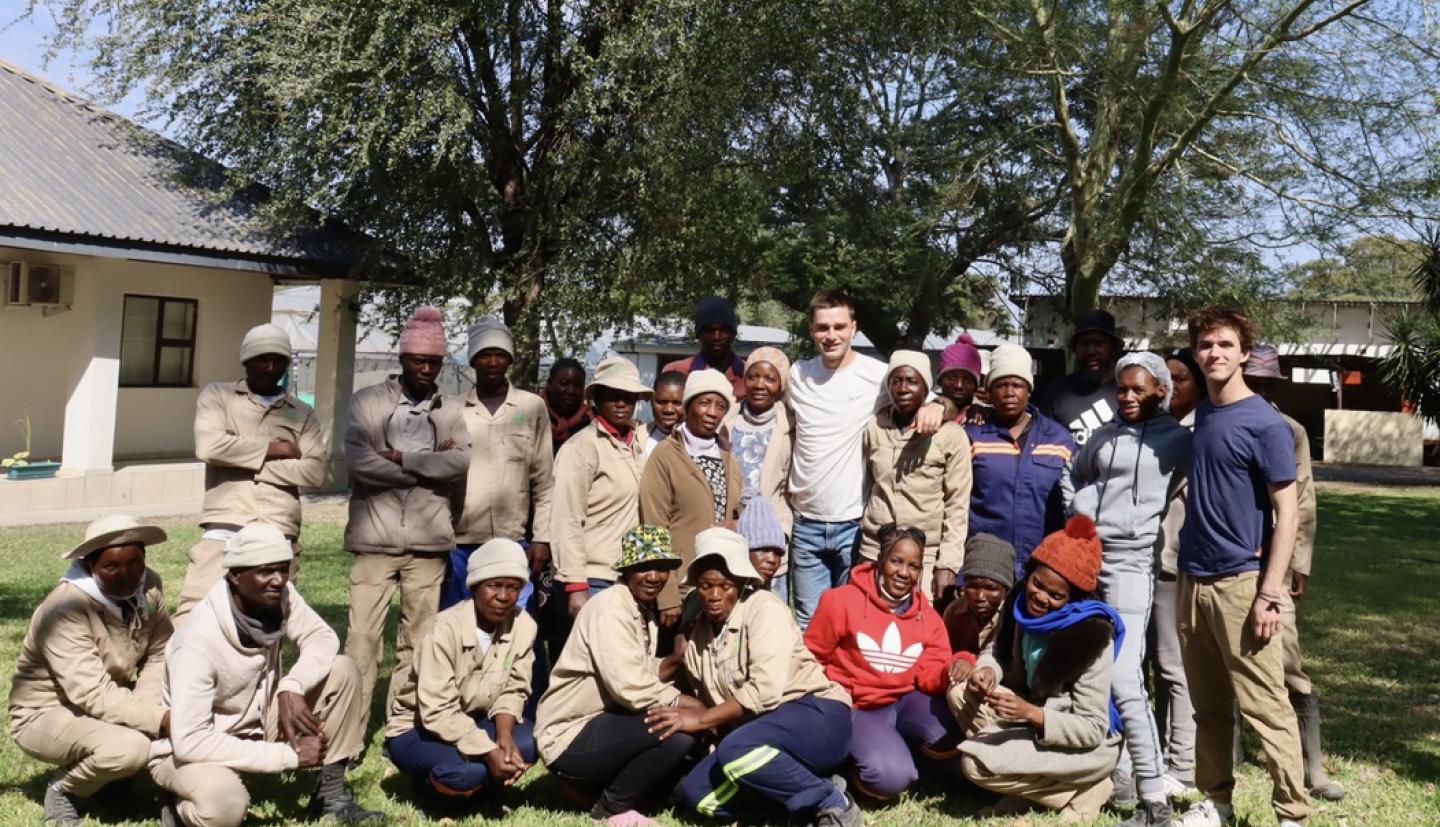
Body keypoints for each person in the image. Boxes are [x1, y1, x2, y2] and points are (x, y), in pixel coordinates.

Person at [1173, 307, 1308, 827]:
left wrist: (1270, 593)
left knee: (1266, 707)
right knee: (1207, 707)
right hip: (1193, 581)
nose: (1214, 354)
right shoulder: (1204, 413)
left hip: (1242, 584)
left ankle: (1291, 813)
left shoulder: (1265, 423)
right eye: (1206, 345)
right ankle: (1218, 803)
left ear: (1244, 353)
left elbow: (1288, 510)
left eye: (1225, 345)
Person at [154, 523, 381, 826]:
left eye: (283, 569)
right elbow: (190, 740)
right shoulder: (197, 641)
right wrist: (289, 757)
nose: (278, 580)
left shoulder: (278, 595)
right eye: (266, 572)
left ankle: (331, 796)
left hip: (259, 721)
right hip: (193, 749)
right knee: (225, 808)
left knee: (342, 669)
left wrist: (292, 685)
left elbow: (321, 637)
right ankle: (180, 805)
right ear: (235, 575)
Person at [649, 528, 860, 827]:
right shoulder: (697, 634)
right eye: (706, 586)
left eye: (724, 585)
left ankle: (831, 800)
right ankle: (803, 796)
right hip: (759, 737)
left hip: (815, 714)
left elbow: (764, 691)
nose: (714, 595)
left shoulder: (764, 608)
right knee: (697, 794)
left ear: (740, 582)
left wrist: (701, 720)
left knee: (735, 750)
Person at [1063, 352, 1193, 826]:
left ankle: (1154, 799)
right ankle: (1116, 775)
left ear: (1161, 390)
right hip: (1089, 562)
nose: (1129, 397)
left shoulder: (1177, 440)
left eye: (1140, 389)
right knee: (1092, 671)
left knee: (1124, 678)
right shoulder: (1104, 434)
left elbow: (1201, 484)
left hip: (1132, 566)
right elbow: (1073, 473)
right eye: (1123, 389)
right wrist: (1077, 516)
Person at [342, 305, 471, 730]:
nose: (428, 368)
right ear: (402, 359)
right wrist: (426, 463)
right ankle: (352, 729)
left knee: (418, 642)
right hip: (373, 541)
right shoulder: (368, 402)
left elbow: (459, 462)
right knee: (362, 641)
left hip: (428, 541)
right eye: (420, 360)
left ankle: (400, 726)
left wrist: (400, 456)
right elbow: (360, 463)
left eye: (434, 361)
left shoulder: (449, 410)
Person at [787, 289, 946, 626]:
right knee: (808, 620)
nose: (831, 336)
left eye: (839, 327)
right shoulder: (797, 375)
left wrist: (938, 405)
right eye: (822, 328)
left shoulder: (878, 376)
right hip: (805, 521)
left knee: (854, 619)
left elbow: (922, 394)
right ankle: (811, 681)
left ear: (854, 328)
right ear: (811, 330)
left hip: (854, 524)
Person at [957, 515, 1123, 821]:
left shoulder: (1091, 635)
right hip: (1027, 716)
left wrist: (1031, 714)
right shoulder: (1019, 604)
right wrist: (988, 670)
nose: (1040, 597)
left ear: (1074, 598)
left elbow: (1093, 728)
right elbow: (995, 650)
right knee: (960, 692)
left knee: (974, 765)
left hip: (1079, 744)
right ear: (1029, 574)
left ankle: (1088, 788)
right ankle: (1036, 792)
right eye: (1037, 584)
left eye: (1056, 596)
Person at [9, 516, 172, 826]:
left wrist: (153, 709)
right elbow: (93, 693)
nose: (126, 574)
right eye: (111, 567)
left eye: (134, 562)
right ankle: (63, 790)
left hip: (111, 700)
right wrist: (158, 720)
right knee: (130, 748)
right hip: (47, 712)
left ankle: (116, 783)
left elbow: (160, 653)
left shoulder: (149, 587)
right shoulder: (65, 609)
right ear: (90, 566)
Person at [535, 526, 698, 827]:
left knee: (679, 755)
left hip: (604, 722)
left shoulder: (640, 610)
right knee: (677, 731)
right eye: (643, 567)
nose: (654, 576)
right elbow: (630, 687)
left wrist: (674, 660)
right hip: (571, 731)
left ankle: (589, 791)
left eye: (661, 568)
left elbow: (639, 670)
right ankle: (610, 809)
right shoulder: (610, 607)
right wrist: (690, 707)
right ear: (626, 569)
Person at [1243, 344, 1345, 802]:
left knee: (1287, 659)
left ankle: (1312, 766)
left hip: (1275, 563)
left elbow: (1302, 499)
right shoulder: (1216, 420)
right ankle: (1227, 756)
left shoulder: (1291, 431)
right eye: (1254, 381)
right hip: (1227, 560)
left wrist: (1299, 562)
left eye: (1267, 383)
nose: (1260, 391)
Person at [175, 323, 325, 622]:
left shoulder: (301, 411)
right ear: (246, 361)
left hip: (279, 527)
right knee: (194, 617)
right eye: (262, 358)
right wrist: (276, 449)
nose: (270, 367)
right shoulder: (219, 396)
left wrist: (241, 457)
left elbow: (315, 471)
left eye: (279, 360)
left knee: (270, 622)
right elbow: (209, 448)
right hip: (226, 524)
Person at [805, 524, 958, 801]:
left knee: (950, 734)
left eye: (913, 566)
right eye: (896, 561)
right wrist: (831, 703)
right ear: (880, 560)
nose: (903, 573)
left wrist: (956, 667)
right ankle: (849, 765)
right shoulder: (840, 602)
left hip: (905, 700)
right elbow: (812, 657)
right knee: (890, 779)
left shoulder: (926, 613)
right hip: (859, 706)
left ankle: (905, 754)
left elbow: (932, 670)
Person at [384, 539, 537, 807]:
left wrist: (503, 736)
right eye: (493, 586)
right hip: (419, 728)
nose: (503, 596)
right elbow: (437, 711)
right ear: (475, 586)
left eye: (513, 588)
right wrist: (489, 750)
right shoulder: (444, 630)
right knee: (470, 771)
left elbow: (515, 688)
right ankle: (428, 788)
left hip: (473, 718)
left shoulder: (524, 625)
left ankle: (482, 788)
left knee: (528, 742)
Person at [444, 319, 552, 610]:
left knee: (516, 624)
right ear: (472, 359)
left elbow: (544, 480)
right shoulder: (450, 409)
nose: (493, 362)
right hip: (461, 542)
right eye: (484, 354)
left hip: (513, 541)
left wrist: (542, 537)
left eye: (500, 354)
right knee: (460, 621)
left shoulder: (531, 408)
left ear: (510, 359)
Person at [860, 350, 972, 599]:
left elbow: (957, 504)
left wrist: (949, 564)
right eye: (896, 381)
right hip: (875, 549)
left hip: (925, 556)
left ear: (926, 389)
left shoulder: (950, 435)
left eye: (912, 381)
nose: (902, 388)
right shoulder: (876, 427)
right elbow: (868, 485)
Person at [551, 356, 652, 616]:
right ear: (597, 399)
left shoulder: (637, 444)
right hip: (593, 576)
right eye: (612, 395)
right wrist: (575, 584)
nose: (621, 403)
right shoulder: (582, 447)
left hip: (628, 575)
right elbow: (567, 517)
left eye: (628, 397)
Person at [966, 342, 1076, 580]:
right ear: (989, 391)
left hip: (1042, 564)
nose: (1009, 393)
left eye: (1017, 385)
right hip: (985, 567)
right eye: (1000, 385)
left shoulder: (1059, 439)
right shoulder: (972, 436)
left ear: (1029, 390)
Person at [1149, 348, 1208, 793]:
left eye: (1181, 379)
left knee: (1174, 667)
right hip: (1138, 564)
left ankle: (1182, 765)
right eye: (1165, 379)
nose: (1171, 387)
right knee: (1148, 666)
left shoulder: (1201, 434)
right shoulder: (1151, 430)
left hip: (1174, 565)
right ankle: (1155, 751)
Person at [640, 368, 743, 618]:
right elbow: (653, 527)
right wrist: (667, 595)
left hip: (718, 586)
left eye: (720, 406)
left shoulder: (727, 457)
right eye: (704, 403)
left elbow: (736, 512)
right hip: (682, 586)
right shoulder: (666, 455)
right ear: (688, 406)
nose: (712, 412)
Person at [726, 346, 794, 600]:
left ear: (781, 384)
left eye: (770, 378)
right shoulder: (727, 420)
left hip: (770, 536)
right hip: (733, 532)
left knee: (768, 611)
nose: (759, 384)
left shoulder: (790, 424)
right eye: (753, 376)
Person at [1037, 309, 1124, 446]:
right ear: (1075, 349)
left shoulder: (1128, 392)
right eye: (1085, 344)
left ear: (1113, 348)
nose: (1091, 351)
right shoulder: (1056, 393)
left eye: (1099, 343)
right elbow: (1041, 443)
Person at [941, 534, 1016, 678]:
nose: (980, 597)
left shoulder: (1012, 618)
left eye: (991, 588)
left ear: (1006, 590)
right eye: (973, 586)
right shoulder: (954, 612)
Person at [661, 296, 748, 400]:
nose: (717, 337)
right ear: (698, 334)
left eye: (723, 330)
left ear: (733, 334)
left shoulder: (749, 374)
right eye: (709, 330)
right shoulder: (676, 371)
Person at [541, 358, 593, 452]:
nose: (571, 391)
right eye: (564, 384)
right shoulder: (533, 414)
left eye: (578, 386)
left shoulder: (591, 422)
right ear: (549, 383)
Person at [937, 333, 987, 423]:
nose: (959, 386)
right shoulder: (923, 411)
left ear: (976, 385)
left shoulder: (985, 417)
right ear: (940, 381)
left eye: (967, 380)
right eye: (952, 378)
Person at [642, 371, 687, 461]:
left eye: (677, 403)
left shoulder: (699, 442)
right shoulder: (636, 439)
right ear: (651, 402)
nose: (669, 410)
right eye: (662, 402)